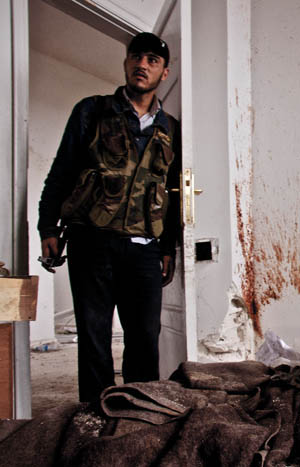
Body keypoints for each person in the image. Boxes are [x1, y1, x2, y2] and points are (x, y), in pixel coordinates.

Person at [37, 32, 181, 403]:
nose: (142, 65)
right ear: (126, 62)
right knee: (94, 336)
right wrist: (47, 226)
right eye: (136, 57)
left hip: (144, 247)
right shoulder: (92, 111)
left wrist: (168, 247)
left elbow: (174, 193)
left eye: (152, 60)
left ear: (164, 72)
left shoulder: (171, 128)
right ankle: (95, 415)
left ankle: (139, 412)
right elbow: (62, 171)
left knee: (145, 337)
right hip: (91, 241)